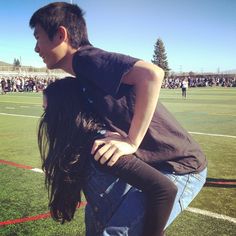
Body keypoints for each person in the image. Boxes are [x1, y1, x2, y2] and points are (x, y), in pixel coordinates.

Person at [30, 2, 207, 235]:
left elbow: (152, 74)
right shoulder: (83, 75)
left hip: (181, 166)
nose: (35, 48)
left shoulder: (85, 59)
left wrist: (131, 141)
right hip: (157, 165)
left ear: (60, 35)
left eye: (38, 37)